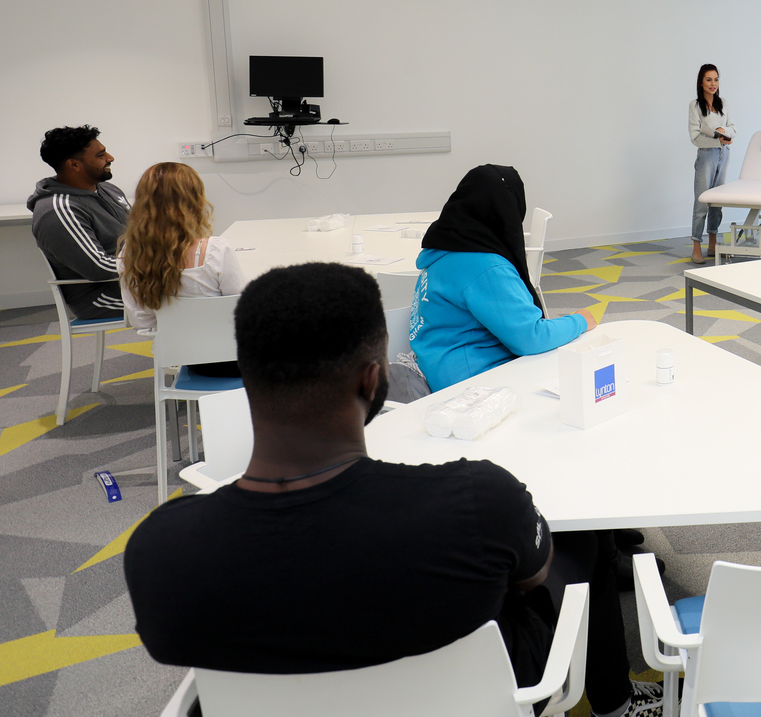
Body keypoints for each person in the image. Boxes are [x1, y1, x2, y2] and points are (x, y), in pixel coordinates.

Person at [123, 262, 663, 717]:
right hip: (475, 700)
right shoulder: (477, 500)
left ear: (246, 374)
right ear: (372, 379)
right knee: (584, 540)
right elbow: (531, 577)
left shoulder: (160, 549)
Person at [412, 165, 595, 392]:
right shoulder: (485, 268)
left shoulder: (445, 249)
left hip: (440, 363)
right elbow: (531, 337)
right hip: (470, 383)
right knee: (586, 377)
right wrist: (581, 320)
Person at [118, 162, 248, 335]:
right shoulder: (216, 249)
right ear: (195, 201)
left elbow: (141, 321)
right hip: (224, 352)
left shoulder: (129, 254)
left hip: (171, 349)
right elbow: (242, 308)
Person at [28, 125, 131, 320]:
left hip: (132, 281)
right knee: (190, 294)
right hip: (101, 296)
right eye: (101, 155)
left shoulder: (108, 190)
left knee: (199, 281)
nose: (110, 158)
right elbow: (99, 267)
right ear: (74, 165)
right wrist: (158, 264)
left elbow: (142, 234)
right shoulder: (59, 209)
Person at [688, 63, 735, 265]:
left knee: (717, 201)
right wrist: (717, 138)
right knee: (702, 202)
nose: (713, 83)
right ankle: (696, 246)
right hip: (706, 155)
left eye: (716, 79)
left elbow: (733, 128)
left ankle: (713, 244)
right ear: (701, 82)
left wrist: (725, 134)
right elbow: (695, 136)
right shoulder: (695, 106)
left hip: (723, 155)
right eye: (708, 79)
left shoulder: (722, 103)